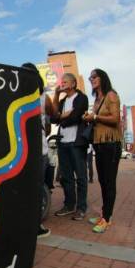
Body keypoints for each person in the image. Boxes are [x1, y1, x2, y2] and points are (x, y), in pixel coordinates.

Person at [82, 69, 122, 233]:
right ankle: (105, 216)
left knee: (109, 182)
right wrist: (89, 117)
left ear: (102, 78)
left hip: (111, 144)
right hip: (99, 144)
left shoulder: (111, 95)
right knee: (103, 181)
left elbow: (115, 119)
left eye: (94, 77)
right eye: (90, 77)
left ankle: (107, 218)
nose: (91, 79)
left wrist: (95, 118)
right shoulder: (97, 99)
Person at [51, 73, 89, 221]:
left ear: (73, 84)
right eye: (62, 82)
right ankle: (69, 205)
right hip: (63, 142)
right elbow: (54, 118)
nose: (62, 84)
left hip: (76, 142)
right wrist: (55, 95)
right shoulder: (62, 101)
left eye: (65, 82)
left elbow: (76, 117)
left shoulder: (82, 98)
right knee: (66, 177)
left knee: (80, 176)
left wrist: (64, 117)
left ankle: (81, 208)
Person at [23, 63, 52, 238]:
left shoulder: (17, 94)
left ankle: (26, 223)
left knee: (25, 188)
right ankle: (36, 226)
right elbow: (51, 119)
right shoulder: (43, 98)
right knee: (37, 188)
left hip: (23, 150)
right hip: (39, 149)